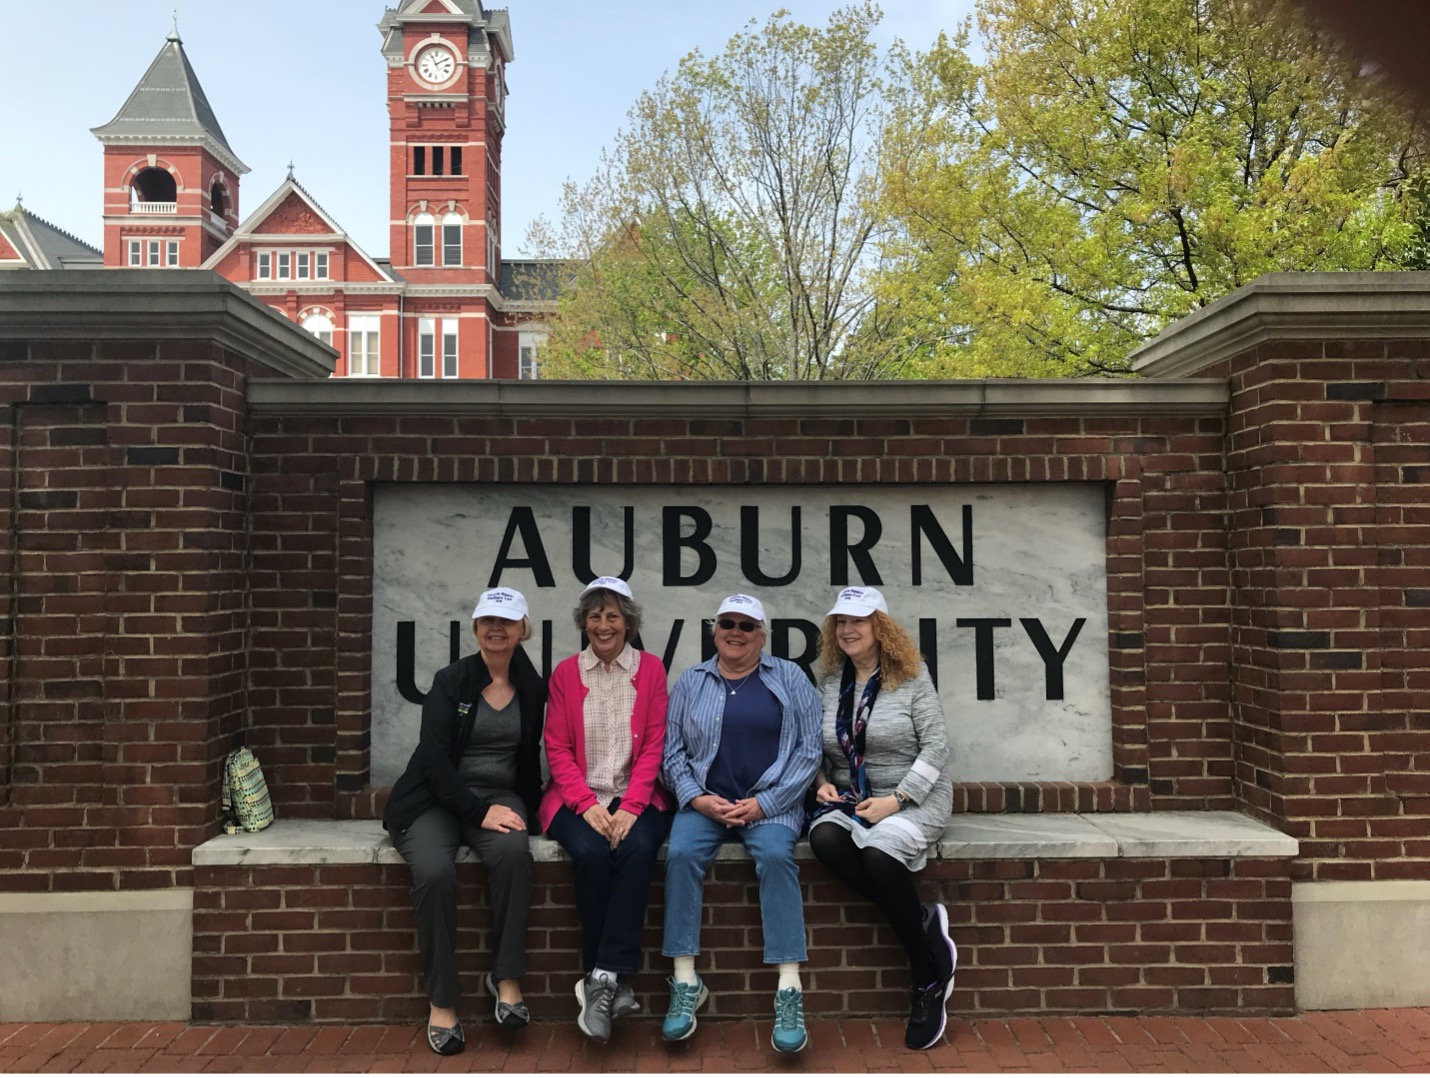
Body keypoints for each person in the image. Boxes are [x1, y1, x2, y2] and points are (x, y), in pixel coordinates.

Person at [381, 587, 546, 1055]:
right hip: (435, 799)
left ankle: (507, 978)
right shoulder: (451, 681)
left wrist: (531, 814)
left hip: (499, 797)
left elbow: (529, 756)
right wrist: (477, 811)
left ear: (522, 630)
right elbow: (433, 760)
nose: (497, 629)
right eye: (487, 621)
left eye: (507, 621)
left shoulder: (531, 685)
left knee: (515, 853)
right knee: (434, 874)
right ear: (475, 628)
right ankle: (443, 1000)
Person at [658, 593, 822, 1053]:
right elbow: (671, 754)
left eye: (746, 625)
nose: (735, 632)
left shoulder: (790, 677)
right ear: (714, 631)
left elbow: (809, 752)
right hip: (706, 804)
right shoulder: (691, 681)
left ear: (762, 635)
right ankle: (686, 982)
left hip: (768, 805)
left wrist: (766, 804)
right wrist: (697, 798)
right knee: (681, 854)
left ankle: (789, 988)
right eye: (726, 623)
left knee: (774, 855)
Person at [808, 586, 957, 1050]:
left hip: (915, 796)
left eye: (859, 621)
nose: (848, 630)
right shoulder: (831, 683)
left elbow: (937, 747)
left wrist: (898, 800)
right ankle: (921, 921)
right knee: (826, 841)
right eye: (841, 622)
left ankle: (925, 974)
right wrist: (818, 783)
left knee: (877, 856)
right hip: (853, 796)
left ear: (881, 629)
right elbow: (812, 747)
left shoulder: (912, 678)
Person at [539, 576, 674, 1043]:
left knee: (637, 851)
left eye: (612, 616)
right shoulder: (565, 674)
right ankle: (613, 979)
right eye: (594, 616)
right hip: (575, 795)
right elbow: (555, 747)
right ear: (584, 624)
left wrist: (632, 806)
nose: (603, 625)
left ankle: (600, 978)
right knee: (593, 855)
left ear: (628, 623)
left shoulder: (652, 671)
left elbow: (655, 743)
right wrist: (584, 805)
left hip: (637, 795)